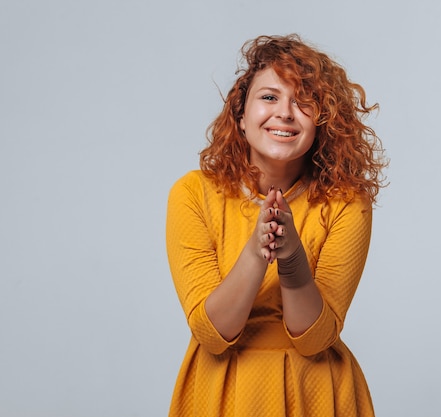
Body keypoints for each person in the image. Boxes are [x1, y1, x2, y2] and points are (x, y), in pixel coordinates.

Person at [165, 34, 388, 417]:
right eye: (269, 97)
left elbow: (315, 339)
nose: (285, 112)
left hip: (315, 391)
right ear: (240, 114)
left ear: (322, 121)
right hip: (221, 390)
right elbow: (212, 335)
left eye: (303, 101)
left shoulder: (347, 203)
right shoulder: (192, 193)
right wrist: (256, 251)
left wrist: (292, 259)